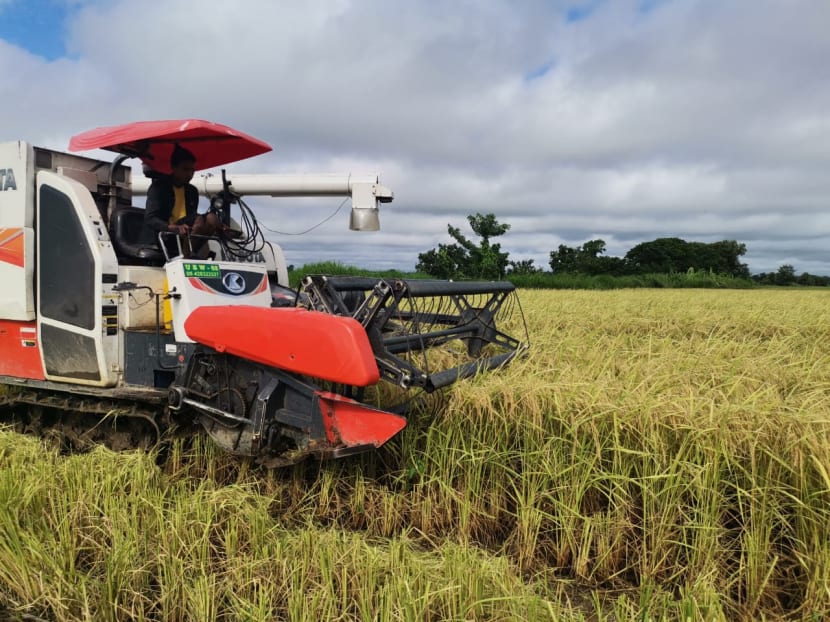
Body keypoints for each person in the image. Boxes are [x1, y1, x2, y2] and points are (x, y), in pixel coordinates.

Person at [141, 144, 221, 257]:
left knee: (213, 218)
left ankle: (190, 252)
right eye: (185, 169)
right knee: (199, 219)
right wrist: (171, 227)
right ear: (173, 168)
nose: (189, 174)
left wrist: (219, 227)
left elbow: (193, 219)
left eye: (192, 171)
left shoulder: (192, 191)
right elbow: (150, 218)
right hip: (166, 235)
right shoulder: (159, 188)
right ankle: (187, 255)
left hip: (186, 234)